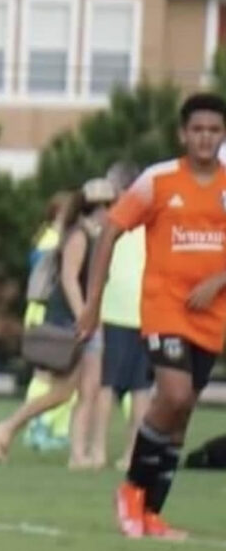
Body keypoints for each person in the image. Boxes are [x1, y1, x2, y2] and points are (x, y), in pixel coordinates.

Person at [78, 92, 226, 539]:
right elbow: (110, 232)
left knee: (181, 416)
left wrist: (218, 281)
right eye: (197, 129)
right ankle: (131, 493)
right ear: (184, 134)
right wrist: (93, 301)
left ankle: (152, 514)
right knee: (174, 395)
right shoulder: (158, 181)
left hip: (212, 317)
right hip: (165, 310)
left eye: (214, 130)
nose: (205, 137)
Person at [0, 178, 116, 467]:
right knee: (63, 391)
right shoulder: (80, 236)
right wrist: (84, 316)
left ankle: (79, 454)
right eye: (106, 205)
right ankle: (9, 426)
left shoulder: (97, 235)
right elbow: (70, 279)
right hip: (73, 320)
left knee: (89, 389)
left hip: (88, 319)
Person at [94, 163, 153, 470]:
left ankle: (99, 450)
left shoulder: (115, 220)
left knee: (109, 385)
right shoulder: (148, 218)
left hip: (117, 311)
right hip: (144, 311)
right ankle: (131, 454)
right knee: (140, 388)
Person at [22, 192, 75, 453]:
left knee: (65, 375)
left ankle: (56, 428)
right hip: (44, 312)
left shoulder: (54, 238)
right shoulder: (53, 240)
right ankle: (37, 425)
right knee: (46, 373)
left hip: (47, 312)